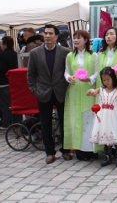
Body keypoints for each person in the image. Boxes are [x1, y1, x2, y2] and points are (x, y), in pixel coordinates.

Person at [27, 24, 72, 164]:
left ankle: (65, 150)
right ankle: (50, 152)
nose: (47, 36)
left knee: (65, 122)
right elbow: (30, 75)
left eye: (50, 33)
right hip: (43, 93)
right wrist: (36, 91)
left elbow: (69, 71)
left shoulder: (65, 52)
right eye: (45, 33)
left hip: (61, 91)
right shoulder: (35, 53)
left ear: (56, 36)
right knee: (46, 124)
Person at [64, 30, 98, 161]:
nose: (76, 40)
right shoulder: (69, 56)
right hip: (74, 90)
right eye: (74, 38)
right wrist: (69, 78)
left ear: (86, 40)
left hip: (88, 90)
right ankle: (79, 149)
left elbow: (97, 73)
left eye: (79, 38)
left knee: (89, 118)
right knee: (76, 119)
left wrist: (89, 79)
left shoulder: (94, 55)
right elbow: (66, 72)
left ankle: (91, 149)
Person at [88, 67, 117, 167]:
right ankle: (107, 156)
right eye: (104, 80)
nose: (106, 82)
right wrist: (91, 91)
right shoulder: (101, 89)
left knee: (116, 134)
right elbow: (91, 93)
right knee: (106, 134)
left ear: (113, 78)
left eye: (108, 79)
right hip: (103, 116)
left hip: (115, 116)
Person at [0, 36, 18, 129]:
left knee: (5, 104)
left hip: (3, 82)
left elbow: (0, 69)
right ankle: (16, 121)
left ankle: (7, 124)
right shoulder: (15, 54)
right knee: (14, 103)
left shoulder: (2, 55)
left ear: (5, 44)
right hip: (13, 82)